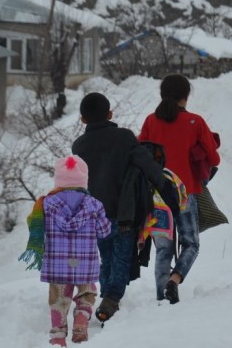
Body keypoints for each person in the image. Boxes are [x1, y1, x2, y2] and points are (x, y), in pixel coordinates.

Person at [72, 92, 178, 322]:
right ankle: (110, 300)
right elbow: (149, 167)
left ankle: (108, 298)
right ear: (110, 114)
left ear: (82, 119)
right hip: (124, 213)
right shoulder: (124, 138)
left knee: (107, 258)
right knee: (121, 257)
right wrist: (168, 191)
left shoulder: (78, 146)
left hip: (94, 215)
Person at [138, 74, 220, 304]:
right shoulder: (195, 122)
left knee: (163, 249)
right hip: (186, 194)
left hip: (157, 196)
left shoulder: (151, 121)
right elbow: (215, 158)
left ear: (163, 95)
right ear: (186, 96)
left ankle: (161, 297)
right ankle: (174, 280)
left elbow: (140, 152)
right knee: (191, 243)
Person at [18, 155, 111, 347]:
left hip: (58, 263)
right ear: (83, 180)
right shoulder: (94, 204)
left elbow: (37, 229)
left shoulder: (46, 204)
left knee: (58, 299)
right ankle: (81, 319)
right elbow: (104, 231)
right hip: (85, 262)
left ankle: (58, 338)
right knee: (87, 293)